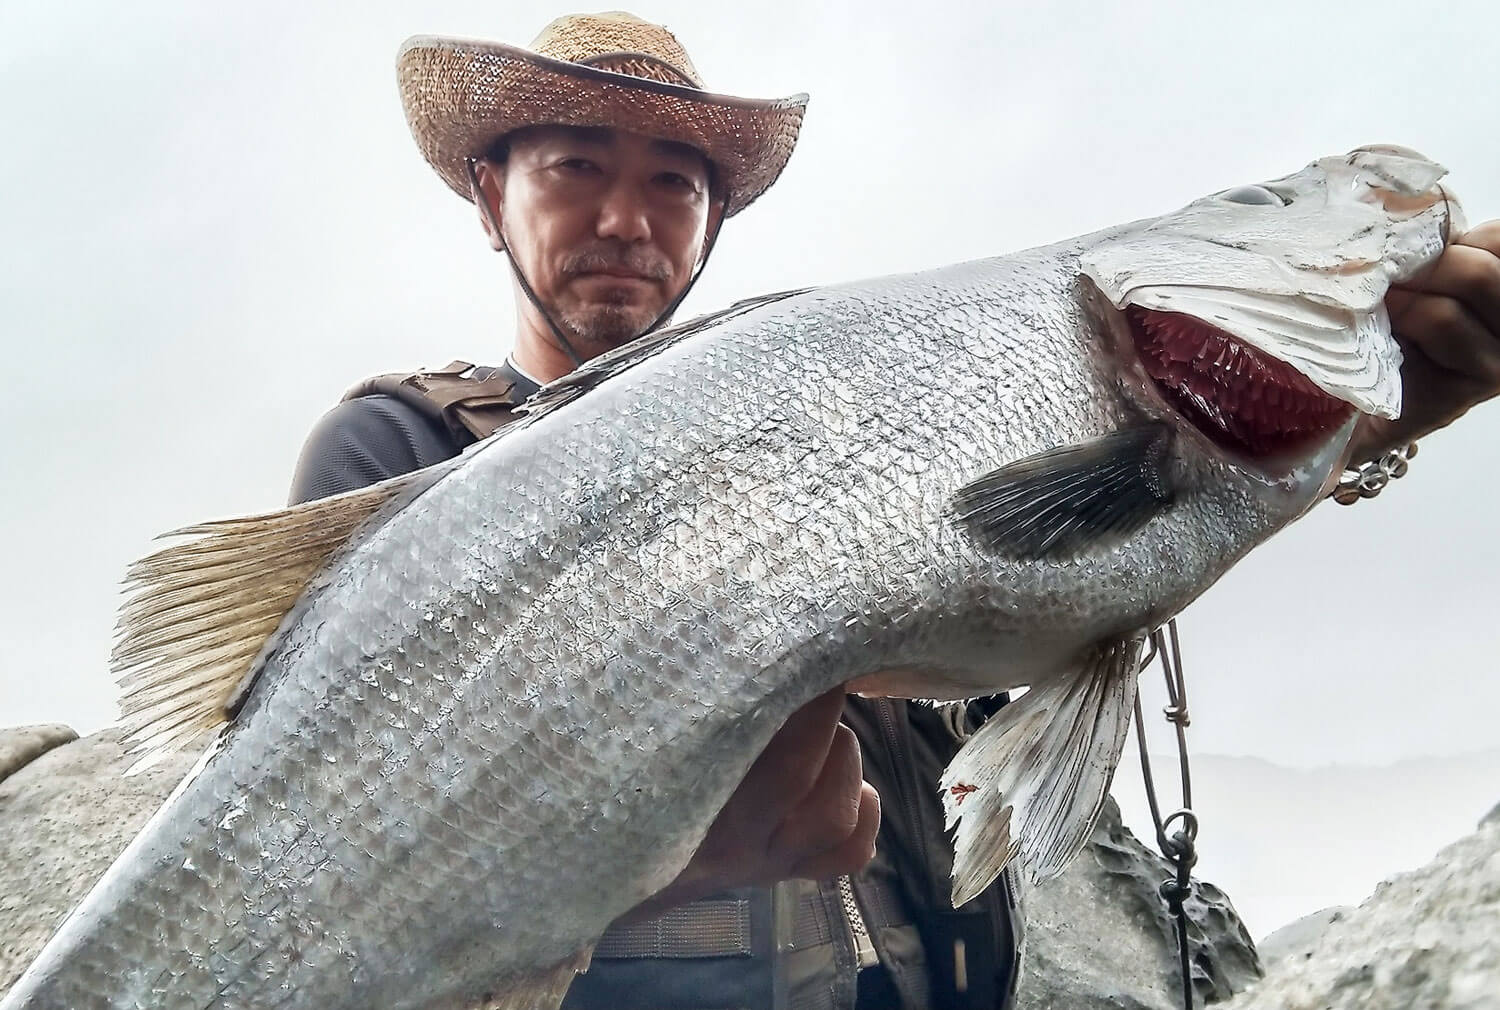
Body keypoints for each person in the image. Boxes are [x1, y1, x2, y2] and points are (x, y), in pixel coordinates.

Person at [288, 12, 1500, 1010]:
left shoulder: (823, 408)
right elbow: (333, 864)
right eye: (576, 168)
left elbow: (1090, 559)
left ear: (712, 221)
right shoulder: (401, 451)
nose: (625, 219)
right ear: (490, 189)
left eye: (673, 181)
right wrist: (677, 866)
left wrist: (1360, 421)